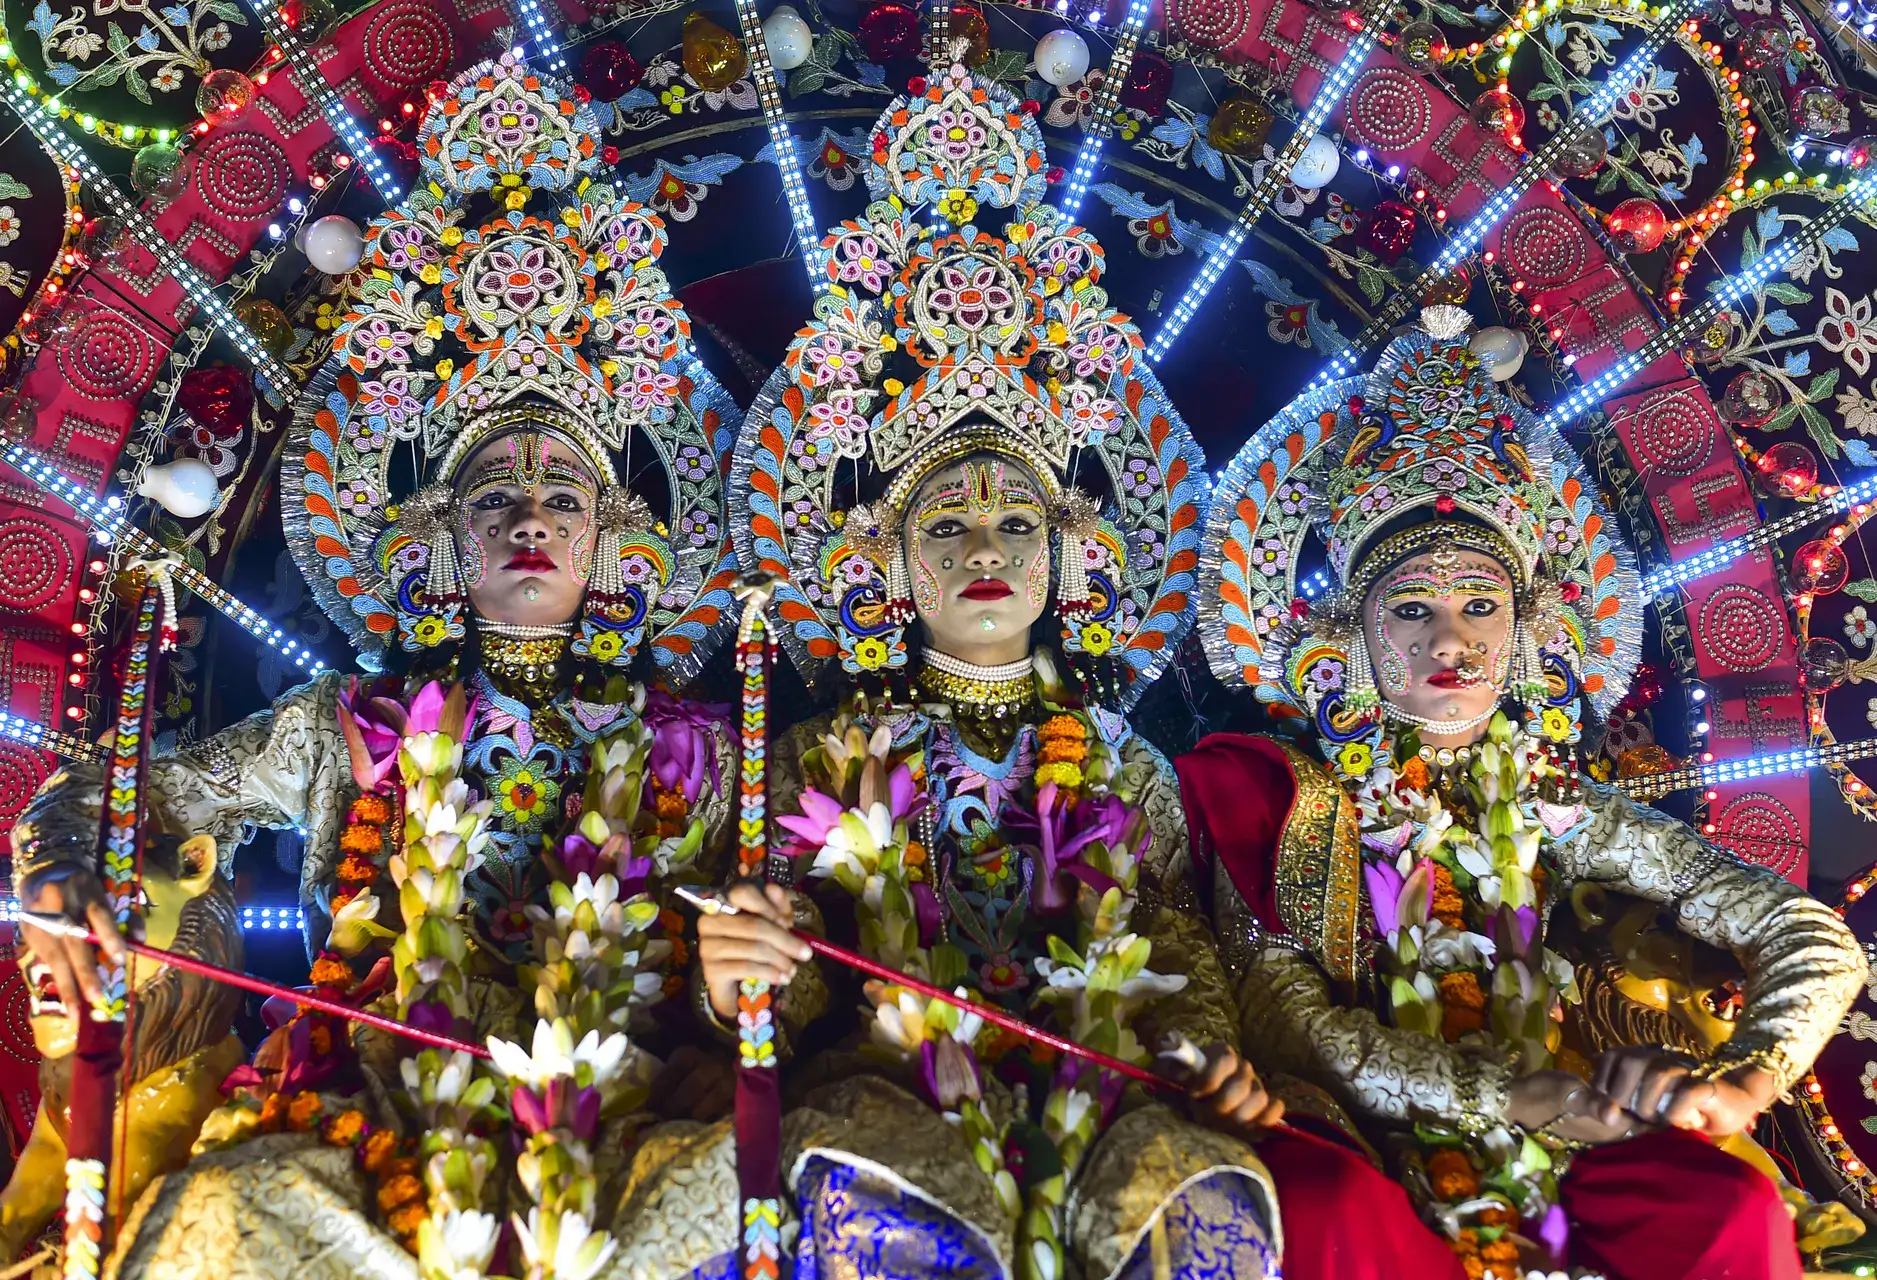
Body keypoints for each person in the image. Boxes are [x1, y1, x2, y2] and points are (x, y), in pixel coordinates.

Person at [614, 61, 1467, 1280]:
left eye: (1016, 522)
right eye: (945, 525)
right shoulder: (814, 757)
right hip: (884, 1095)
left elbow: (1174, 957)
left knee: (1191, 1192)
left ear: (1073, 556)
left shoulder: (1123, 762)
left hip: (1106, 1085)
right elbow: (785, 1000)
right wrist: (744, 975)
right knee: (873, 1173)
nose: (982, 549)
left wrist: (1202, 1057)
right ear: (882, 563)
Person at [6, 53, 744, 1278]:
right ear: (435, 538)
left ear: (620, 541)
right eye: (492, 496)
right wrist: (59, 866)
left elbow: (780, 970)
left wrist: (731, 1005)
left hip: (629, 1109)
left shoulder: (703, 752)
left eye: (565, 496)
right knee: (225, 1209)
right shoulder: (347, 725)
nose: (530, 518)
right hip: (374, 1101)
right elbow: (117, 795)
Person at [1183, 303, 1866, 1280]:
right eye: (1410, 608)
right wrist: (1500, 1096)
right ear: (1348, 633)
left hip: (1558, 1138)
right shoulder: (1278, 793)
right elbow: (1285, 1020)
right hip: (1362, 1131)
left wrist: (1742, 1079)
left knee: (1727, 1209)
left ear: (1526, 631)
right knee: (1324, 1211)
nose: (1450, 641)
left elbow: (1808, 935)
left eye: (1479, 605)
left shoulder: (1551, 800)